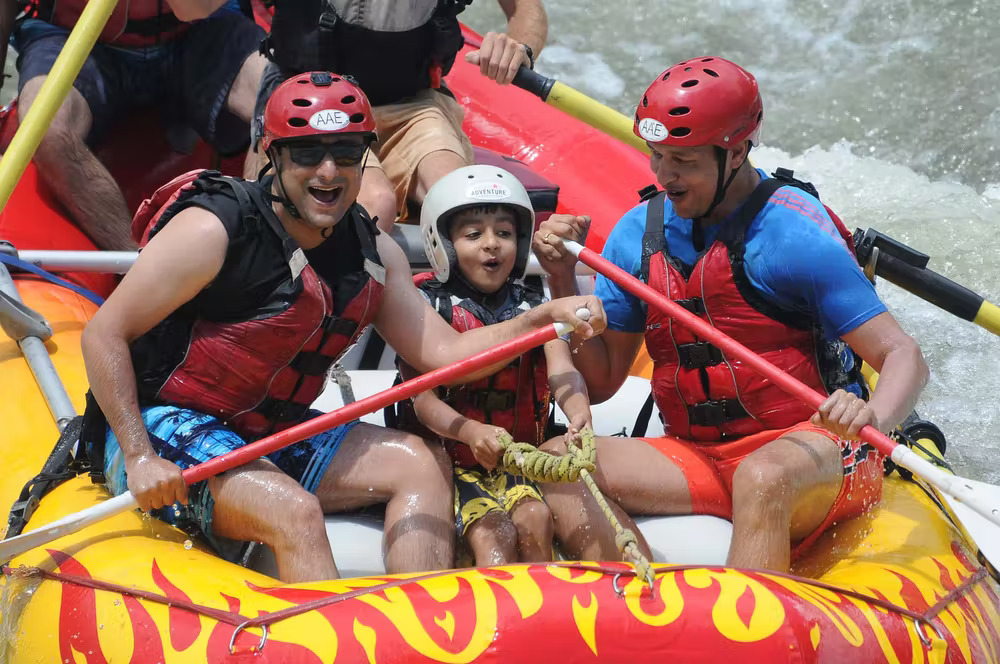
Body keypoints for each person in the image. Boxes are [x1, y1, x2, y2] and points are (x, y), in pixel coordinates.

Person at [80, 72, 604, 583]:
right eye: (308, 153)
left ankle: (421, 631)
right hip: (164, 426)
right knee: (296, 511)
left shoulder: (373, 252)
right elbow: (103, 334)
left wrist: (543, 319)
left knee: (420, 463)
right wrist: (138, 454)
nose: (328, 172)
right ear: (273, 155)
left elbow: (447, 353)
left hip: (267, 430)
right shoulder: (213, 229)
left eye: (347, 153)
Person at [531, 56, 929, 573]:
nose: (664, 175)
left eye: (684, 161)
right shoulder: (637, 235)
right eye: (657, 156)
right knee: (560, 463)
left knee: (761, 478)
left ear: (737, 151)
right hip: (697, 454)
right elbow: (603, 381)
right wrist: (562, 278)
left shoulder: (791, 235)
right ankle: (641, 608)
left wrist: (872, 416)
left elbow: (905, 355)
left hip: (814, 450)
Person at [393, 165, 593, 566]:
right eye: (473, 235)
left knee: (535, 518)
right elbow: (423, 403)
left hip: (518, 457)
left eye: (504, 233)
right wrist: (471, 432)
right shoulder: (428, 310)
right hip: (453, 463)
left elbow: (561, 368)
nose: (492, 245)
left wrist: (578, 411)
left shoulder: (533, 306)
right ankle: (491, 623)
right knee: (491, 534)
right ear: (442, 244)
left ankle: (541, 620)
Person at [248, 0, 548, 231]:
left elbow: (524, 8)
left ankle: (459, 307)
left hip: (412, 101)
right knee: (375, 203)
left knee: (464, 204)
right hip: (309, 99)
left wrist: (519, 48)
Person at [1, 0, 268, 250]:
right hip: (74, 37)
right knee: (48, 129)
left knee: (276, 98)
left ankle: (254, 255)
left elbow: (194, 9)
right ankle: (137, 262)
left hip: (197, 29)